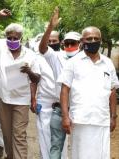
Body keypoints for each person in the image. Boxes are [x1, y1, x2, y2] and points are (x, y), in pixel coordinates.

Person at [0, 9, 41, 159]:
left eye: (15, 38)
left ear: (21, 38)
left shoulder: (30, 55)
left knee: (19, 135)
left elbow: (37, 79)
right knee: (7, 134)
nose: (12, 40)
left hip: (21, 100)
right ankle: (10, 156)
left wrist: (29, 72)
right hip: (3, 99)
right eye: (9, 37)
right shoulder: (0, 46)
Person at [59, 26, 118, 159]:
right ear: (82, 41)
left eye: (96, 38)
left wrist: (113, 116)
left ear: (101, 41)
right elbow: (64, 90)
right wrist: (65, 116)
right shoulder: (73, 63)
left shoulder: (108, 63)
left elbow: (112, 90)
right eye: (89, 38)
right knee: (80, 155)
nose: (93, 41)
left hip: (102, 120)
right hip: (80, 120)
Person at [38, 7, 81, 159]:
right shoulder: (57, 57)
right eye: (67, 43)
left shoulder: (85, 60)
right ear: (63, 43)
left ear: (80, 43)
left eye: (73, 43)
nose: (70, 46)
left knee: (79, 147)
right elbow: (42, 48)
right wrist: (50, 27)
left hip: (80, 110)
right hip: (59, 111)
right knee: (56, 146)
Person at [28, 34, 58, 159]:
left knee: (60, 138)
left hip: (61, 104)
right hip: (44, 102)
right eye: (48, 41)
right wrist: (33, 99)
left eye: (54, 41)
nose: (50, 43)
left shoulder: (65, 57)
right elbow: (34, 81)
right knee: (44, 136)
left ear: (59, 42)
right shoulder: (38, 58)